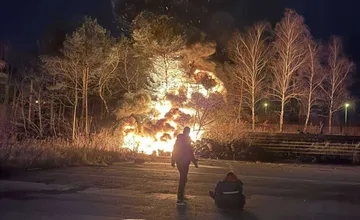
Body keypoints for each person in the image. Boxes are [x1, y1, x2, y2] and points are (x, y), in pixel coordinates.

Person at [171, 126, 198, 205]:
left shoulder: (179, 139)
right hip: (184, 162)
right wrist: (195, 162)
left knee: (184, 179)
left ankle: (182, 196)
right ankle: (180, 199)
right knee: (183, 179)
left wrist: (173, 161)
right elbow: (190, 152)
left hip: (179, 162)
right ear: (188, 132)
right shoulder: (186, 140)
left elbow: (174, 150)